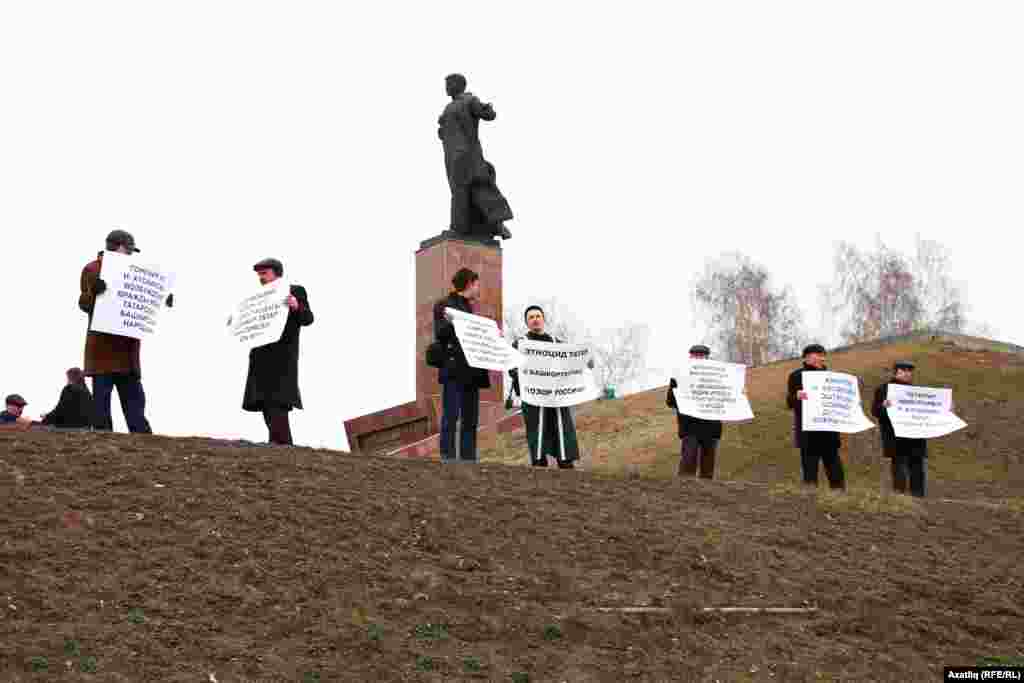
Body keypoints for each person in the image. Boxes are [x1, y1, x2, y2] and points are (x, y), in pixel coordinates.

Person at [79, 229, 170, 433]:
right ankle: (103, 436)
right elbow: (83, 303)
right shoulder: (93, 269)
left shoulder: (135, 271)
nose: (130, 254)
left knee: (135, 398)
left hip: (127, 349)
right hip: (103, 347)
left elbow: (142, 298)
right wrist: (94, 292)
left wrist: (161, 298)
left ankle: (141, 436)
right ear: (118, 247)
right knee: (102, 398)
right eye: (129, 250)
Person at [241, 258, 314, 446]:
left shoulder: (294, 290)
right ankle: (278, 443)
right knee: (264, 401)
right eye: (259, 275)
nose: (261, 278)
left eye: (264, 273)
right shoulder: (256, 297)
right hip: (260, 357)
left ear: (276, 273)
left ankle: (281, 444)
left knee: (277, 400)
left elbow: (308, 318)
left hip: (282, 357)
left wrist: (296, 306)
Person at [509, 305, 587, 469]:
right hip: (534, 397)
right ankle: (539, 464)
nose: (535, 319)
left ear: (543, 319)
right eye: (531, 317)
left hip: (555, 397)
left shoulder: (556, 343)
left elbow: (570, 363)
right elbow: (512, 367)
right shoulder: (521, 344)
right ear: (527, 322)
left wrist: (585, 360)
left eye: (538, 316)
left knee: (561, 428)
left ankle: (565, 462)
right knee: (537, 431)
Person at [438, 73, 513, 241]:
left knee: (477, 187)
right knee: (460, 191)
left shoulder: (469, 101)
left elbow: (488, 115)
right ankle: (464, 228)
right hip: (452, 157)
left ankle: (491, 224)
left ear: (458, 85)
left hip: (468, 155)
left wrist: (487, 109)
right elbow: (444, 132)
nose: (446, 87)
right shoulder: (449, 108)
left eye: (449, 84)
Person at [433, 267, 490, 463]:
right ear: (468, 284)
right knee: (451, 414)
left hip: (472, 371)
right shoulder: (443, 305)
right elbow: (440, 333)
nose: (478, 288)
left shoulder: (469, 308)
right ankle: (447, 456)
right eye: (476, 284)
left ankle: (468, 457)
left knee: (470, 418)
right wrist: (456, 322)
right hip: (454, 368)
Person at [786, 344, 845, 490]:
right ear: (806, 357)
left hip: (829, 431)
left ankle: (840, 496)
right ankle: (810, 499)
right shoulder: (796, 376)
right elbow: (790, 402)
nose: (821, 358)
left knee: (835, 469)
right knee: (810, 470)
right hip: (808, 432)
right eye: (817, 354)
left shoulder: (832, 377)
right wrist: (796, 397)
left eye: (823, 355)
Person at [666, 345, 723, 479]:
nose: (698, 359)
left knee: (705, 465)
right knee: (690, 462)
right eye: (696, 356)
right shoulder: (679, 375)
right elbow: (670, 401)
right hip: (693, 426)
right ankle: (684, 493)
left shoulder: (720, 377)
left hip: (708, 426)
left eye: (700, 356)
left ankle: (705, 495)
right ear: (690, 357)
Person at [872, 360, 928, 497]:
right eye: (904, 371)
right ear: (896, 372)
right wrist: (883, 407)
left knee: (917, 466)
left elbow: (927, 410)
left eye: (910, 371)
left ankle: (918, 496)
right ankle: (900, 496)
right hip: (896, 436)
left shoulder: (916, 391)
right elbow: (875, 411)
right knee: (899, 466)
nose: (908, 374)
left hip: (915, 435)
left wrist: (945, 409)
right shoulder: (883, 389)